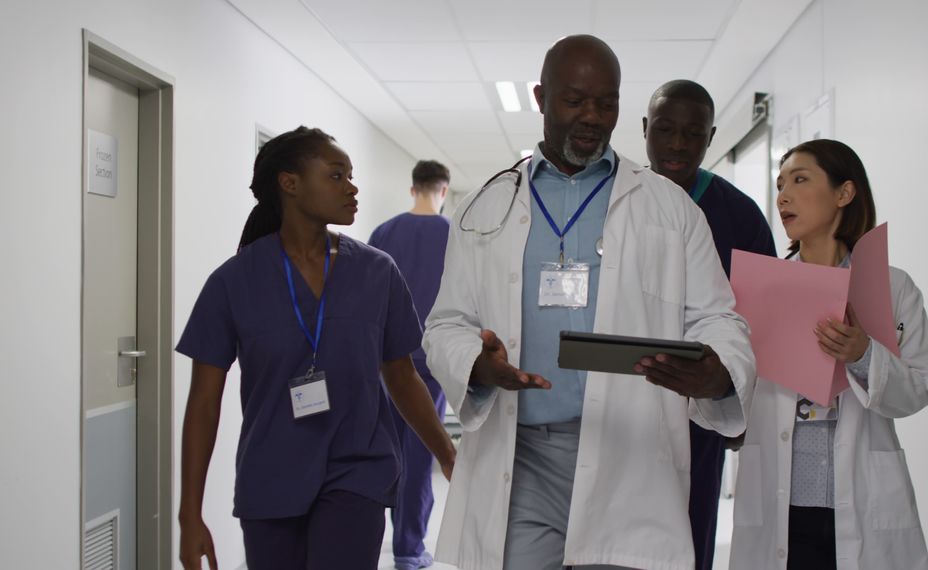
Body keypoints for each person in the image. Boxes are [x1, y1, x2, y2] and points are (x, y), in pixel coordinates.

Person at [424, 35, 756, 570]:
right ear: (541, 97)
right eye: (575, 100)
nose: (593, 117)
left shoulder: (669, 207)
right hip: (524, 455)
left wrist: (718, 376)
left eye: (607, 102)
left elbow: (718, 316)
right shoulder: (488, 205)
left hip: (630, 452)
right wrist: (476, 365)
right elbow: (447, 323)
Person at [176, 126, 456, 570]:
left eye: (350, 175)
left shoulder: (377, 272)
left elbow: (401, 374)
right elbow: (203, 403)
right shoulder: (233, 282)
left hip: (357, 472)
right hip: (270, 478)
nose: (352, 186)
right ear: (290, 183)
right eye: (336, 175)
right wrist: (189, 514)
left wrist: (447, 454)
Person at [729, 139, 928, 570]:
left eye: (800, 180)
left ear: (844, 193)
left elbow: (920, 386)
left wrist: (863, 354)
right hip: (779, 505)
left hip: (861, 501)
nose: (783, 195)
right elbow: (736, 391)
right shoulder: (759, 289)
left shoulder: (891, 287)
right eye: (780, 184)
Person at [643, 79, 777, 570]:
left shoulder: (740, 217)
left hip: (699, 404)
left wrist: (745, 405)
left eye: (693, 133)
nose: (678, 144)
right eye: (665, 130)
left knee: (690, 531)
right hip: (621, 396)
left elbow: (763, 322)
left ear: (711, 136)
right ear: (645, 131)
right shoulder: (616, 202)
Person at [367, 159, 452, 570]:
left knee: (390, 447)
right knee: (420, 449)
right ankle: (408, 547)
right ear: (444, 190)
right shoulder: (453, 234)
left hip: (385, 358)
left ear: (412, 188)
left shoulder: (383, 233)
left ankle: (395, 534)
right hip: (429, 359)